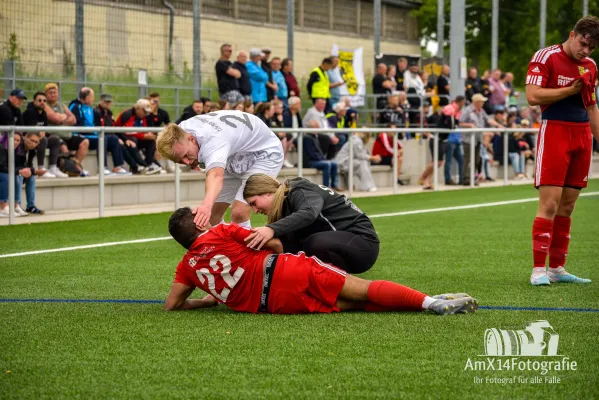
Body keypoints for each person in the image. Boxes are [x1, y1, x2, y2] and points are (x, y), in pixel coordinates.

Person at [163, 207, 479, 315]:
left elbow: (172, 305)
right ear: (200, 223)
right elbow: (268, 240)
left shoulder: (186, 267)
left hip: (273, 305)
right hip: (284, 270)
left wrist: (207, 301)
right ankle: (430, 303)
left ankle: (429, 303)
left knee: (354, 306)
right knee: (363, 289)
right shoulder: (222, 231)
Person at [525, 15, 599, 286]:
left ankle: (557, 267)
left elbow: (592, 107)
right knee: (550, 204)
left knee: (567, 206)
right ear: (572, 34)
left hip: (581, 136)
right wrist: (568, 90)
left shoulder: (590, 66)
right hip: (555, 131)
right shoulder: (546, 57)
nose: (586, 51)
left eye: (591, 48)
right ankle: (537, 270)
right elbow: (533, 96)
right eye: (583, 43)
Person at [156, 110, 284, 229]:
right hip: (234, 155)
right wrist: (208, 207)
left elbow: (216, 176)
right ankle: (226, 249)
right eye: (179, 161)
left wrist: (206, 205)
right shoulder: (181, 132)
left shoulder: (213, 141)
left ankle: (281, 238)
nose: (187, 162)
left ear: (191, 139)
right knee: (212, 217)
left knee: (239, 213)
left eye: (185, 155)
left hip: (263, 154)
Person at [241, 173, 378, 274]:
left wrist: (271, 229)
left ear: (267, 192)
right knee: (297, 248)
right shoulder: (285, 207)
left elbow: (309, 213)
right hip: (347, 245)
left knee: (314, 243)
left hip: (364, 244)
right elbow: (288, 246)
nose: (255, 210)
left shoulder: (298, 190)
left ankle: (339, 285)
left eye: (254, 203)